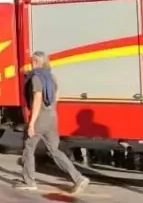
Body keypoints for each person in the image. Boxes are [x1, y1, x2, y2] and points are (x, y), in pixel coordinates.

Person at [16, 51, 89, 194]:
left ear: (36, 62)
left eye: (32, 61)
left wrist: (31, 123)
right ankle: (78, 178)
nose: (31, 63)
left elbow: (37, 99)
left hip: (40, 117)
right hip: (52, 116)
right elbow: (57, 97)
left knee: (28, 147)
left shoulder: (36, 77)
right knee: (54, 151)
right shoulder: (52, 77)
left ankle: (29, 181)